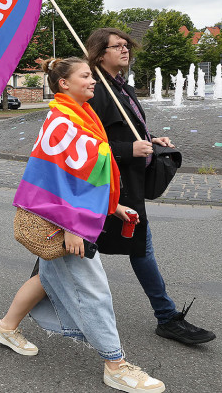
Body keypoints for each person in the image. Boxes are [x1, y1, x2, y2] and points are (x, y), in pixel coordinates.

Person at [0, 57, 165, 392]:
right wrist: (71, 226)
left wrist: (112, 206)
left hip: (69, 217)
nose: (93, 81)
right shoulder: (64, 121)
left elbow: (83, 173)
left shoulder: (76, 116)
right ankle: (115, 365)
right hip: (65, 222)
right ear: (64, 84)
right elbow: (60, 177)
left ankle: (6, 326)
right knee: (93, 289)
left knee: (47, 276)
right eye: (85, 76)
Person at [86, 27, 215, 345]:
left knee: (94, 247)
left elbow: (126, 129)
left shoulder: (121, 86)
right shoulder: (96, 91)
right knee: (76, 247)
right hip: (108, 187)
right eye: (117, 46)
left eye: (126, 45)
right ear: (100, 53)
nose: (125, 50)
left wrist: (149, 139)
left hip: (125, 185)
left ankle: (166, 316)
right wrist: (130, 150)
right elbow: (87, 145)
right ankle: (167, 317)